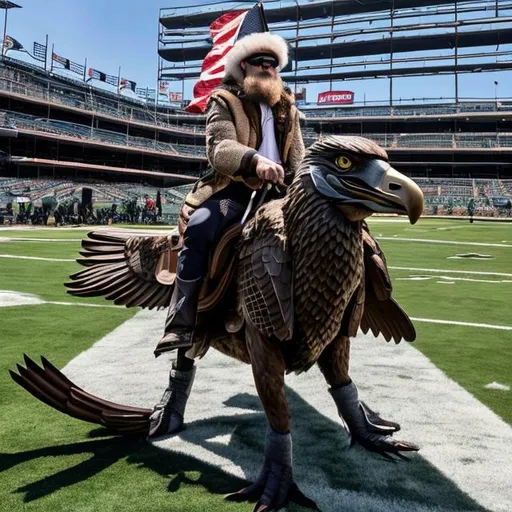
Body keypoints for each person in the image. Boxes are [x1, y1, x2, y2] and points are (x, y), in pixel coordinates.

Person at [148, 32, 305, 438]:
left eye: (273, 61)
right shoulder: (224, 100)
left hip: (282, 194)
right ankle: (182, 319)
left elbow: (299, 160)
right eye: (260, 61)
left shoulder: (289, 107)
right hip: (232, 188)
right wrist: (255, 162)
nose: (267, 67)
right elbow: (219, 150)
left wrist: (302, 184)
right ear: (243, 67)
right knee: (200, 229)